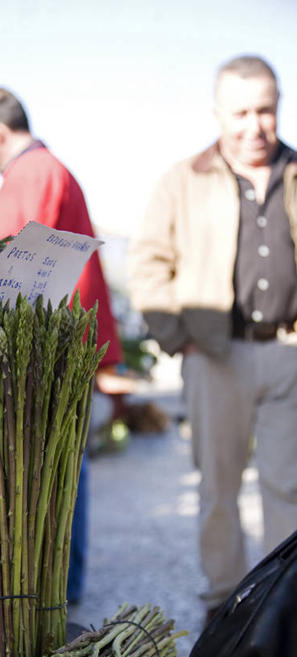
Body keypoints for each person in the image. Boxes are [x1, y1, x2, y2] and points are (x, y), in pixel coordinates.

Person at [128, 55, 297, 623]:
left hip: (290, 354)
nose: (255, 126)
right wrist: (181, 338)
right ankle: (224, 608)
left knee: (289, 489)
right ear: (218, 112)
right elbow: (148, 266)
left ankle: (281, 612)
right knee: (218, 493)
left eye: (267, 110)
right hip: (215, 357)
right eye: (242, 112)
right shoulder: (182, 179)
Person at [0, 87, 134, 603]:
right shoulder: (49, 168)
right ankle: (61, 583)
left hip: (46, 344)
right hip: (63, 337)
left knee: (57, 458)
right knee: (65, 455)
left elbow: (15, 263)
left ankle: (55, 585)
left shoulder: (32, 172)